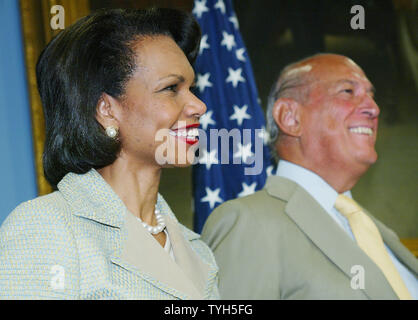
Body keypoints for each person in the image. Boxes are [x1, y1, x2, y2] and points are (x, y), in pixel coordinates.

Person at [0, 8, 219, 300]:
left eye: (191, 88)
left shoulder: (198, 251)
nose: (198, 106)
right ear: (107, 110)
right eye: (170, 88)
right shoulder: (46, 228)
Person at [201, 54, 418, 300]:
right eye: (347, 91)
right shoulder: (248, 222)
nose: (374, 108)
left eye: (371, 95)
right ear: (290, 117)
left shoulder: (373, 230)